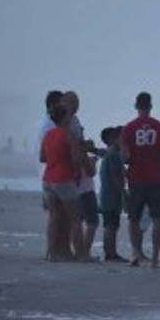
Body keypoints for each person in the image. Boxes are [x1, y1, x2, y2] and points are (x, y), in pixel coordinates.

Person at [120, 91, 160, 267]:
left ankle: (136, 253)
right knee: (158, 217)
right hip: (156, 178)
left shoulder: (129, 128)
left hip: (136, 177)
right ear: (150, 106)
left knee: (134, 218)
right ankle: (154, 259)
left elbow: (125, 157)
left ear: (136, 106)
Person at [40, 99, 86, 262]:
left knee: (53, 216)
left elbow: (42, 157)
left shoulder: (48, 135)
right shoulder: (69, 135)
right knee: (75, 218)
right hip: (64, 178)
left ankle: (50, 252)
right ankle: (81, 254)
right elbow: (76, 160)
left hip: (48, 178)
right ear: (64, 117)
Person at [60, 92, 101, 262]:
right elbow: (76, 148)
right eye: (73, 103)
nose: (76, 106)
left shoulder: (69, 122)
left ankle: (77, 251)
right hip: (78, 177)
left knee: (77, 218)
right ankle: (82, 251)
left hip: (74, 177)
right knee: (88, 218)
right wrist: (88, 163)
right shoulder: (68, 125)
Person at [38, 90, 66, 260]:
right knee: (56, 214)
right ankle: (52, 250)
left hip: (50, 175)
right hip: (53, 175)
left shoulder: (47, 124)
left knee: (57, 214)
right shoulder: (49, 126)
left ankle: (55, 250)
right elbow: (45, 155)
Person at [98, 126, 127, 262]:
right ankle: (110, 253)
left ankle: (110, 252)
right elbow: (117, 177)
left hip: (107, 194)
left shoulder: (110, 154)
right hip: (111, 195)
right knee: (111, 225)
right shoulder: (114, 155)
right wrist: (123, 192)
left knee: (110, 225)